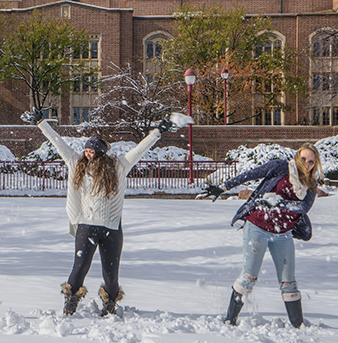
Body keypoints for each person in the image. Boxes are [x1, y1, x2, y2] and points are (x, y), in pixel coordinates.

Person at [25, 112, 173, 317]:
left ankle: (110, 304)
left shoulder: (118, 166)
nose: (87, 154)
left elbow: (139, 150)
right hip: (86, 226)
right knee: (79, 268)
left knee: (111, 276)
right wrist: (42, 123)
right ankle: (70, 304)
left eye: (92, 151)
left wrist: (157, 132)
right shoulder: (77, 165)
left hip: (112, 229)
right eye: (86, 150)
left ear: (101, 153)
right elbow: (58, 143)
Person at [198, 143, 322, 328]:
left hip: (283, 234)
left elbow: (303, 207)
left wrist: (279, 204)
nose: (306, 163)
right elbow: (251, 174)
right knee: (249, 277)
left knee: (289, 282)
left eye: (311, 162)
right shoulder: (281, 167)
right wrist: (223, 187)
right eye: (303, 158)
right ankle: (230, 320)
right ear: (297, 157)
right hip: (257, 227)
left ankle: (299, 327)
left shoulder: (310, 186)